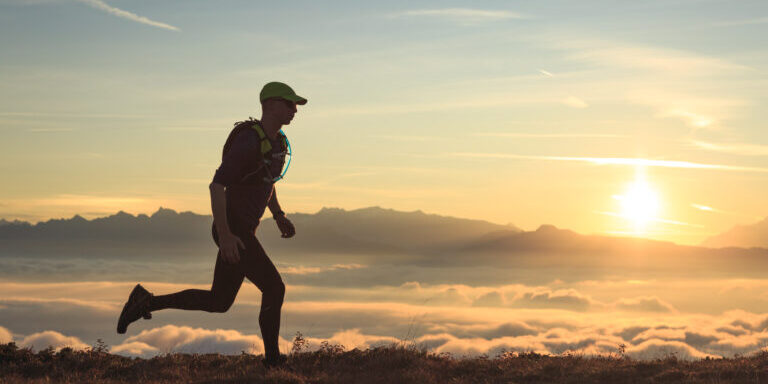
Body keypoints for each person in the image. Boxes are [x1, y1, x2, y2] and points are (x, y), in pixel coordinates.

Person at [116, 81, 307, 369]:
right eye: (289, 103)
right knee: (274, 288)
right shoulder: (248, 141)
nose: (295, 110)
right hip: (233, 230)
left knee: (219, 301)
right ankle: (272, 361)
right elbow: (217, 186)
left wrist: (278, 215)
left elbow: (267, 181)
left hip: (243, 231)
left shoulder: (277, 142)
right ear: (270, 105)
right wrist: (227, 236)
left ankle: (146, 301)